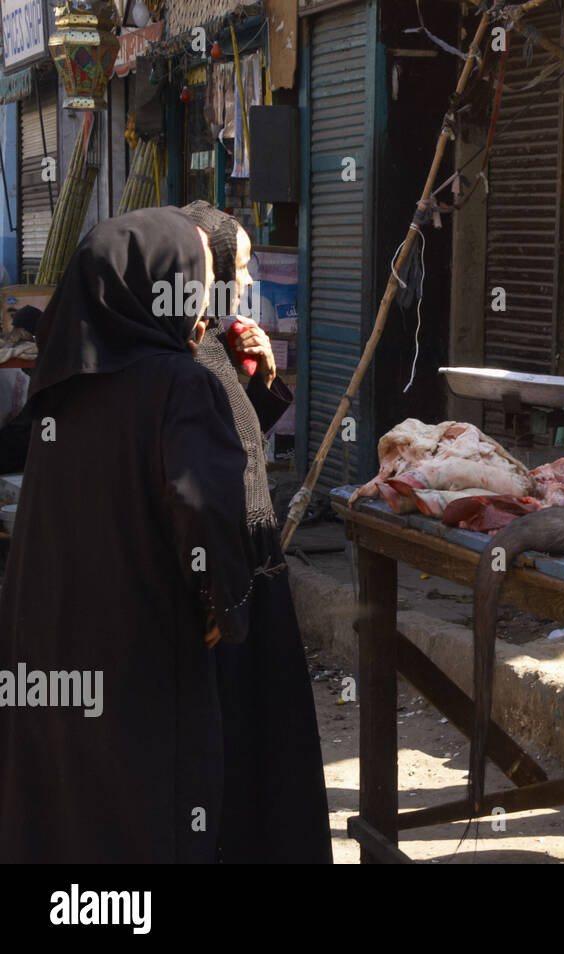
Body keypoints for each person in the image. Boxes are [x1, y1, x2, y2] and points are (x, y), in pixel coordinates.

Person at [0, 208, 253, 862]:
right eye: (191, 283)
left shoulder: (61, 388)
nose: (200, 306)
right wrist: (226, 608)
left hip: (48, 644)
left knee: (67, 808)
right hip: (142, 647)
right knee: (153, 808)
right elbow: (206, 510)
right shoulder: (179, 385)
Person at [180, 200, 332, 864]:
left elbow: (237, 448)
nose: (244, 285)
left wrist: (262, 382)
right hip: (221, 583)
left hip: (249, 576)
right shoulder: (178, 361)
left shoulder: (212, 344)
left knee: (261, 737)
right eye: (236, 269)